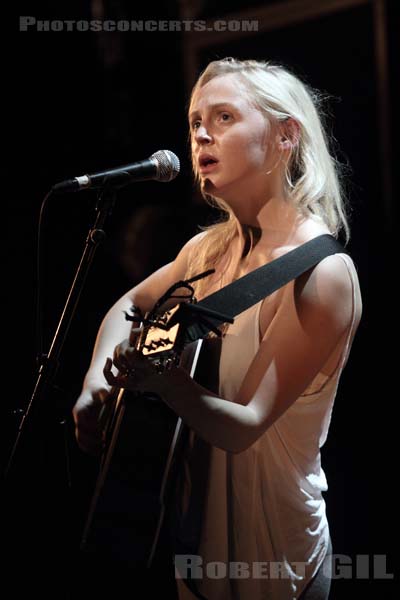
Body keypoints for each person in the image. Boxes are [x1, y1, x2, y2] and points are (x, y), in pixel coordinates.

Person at [73, 57, 362, 600]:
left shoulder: (321, 272)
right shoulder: (208, 251)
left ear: (285, 136)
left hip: (277, 563)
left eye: (225, 117)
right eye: (195, 121)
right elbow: (129, 308)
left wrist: (159, 380)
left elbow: (243, 425)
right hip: (192, 546)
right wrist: (97, 386)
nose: (201, 134)